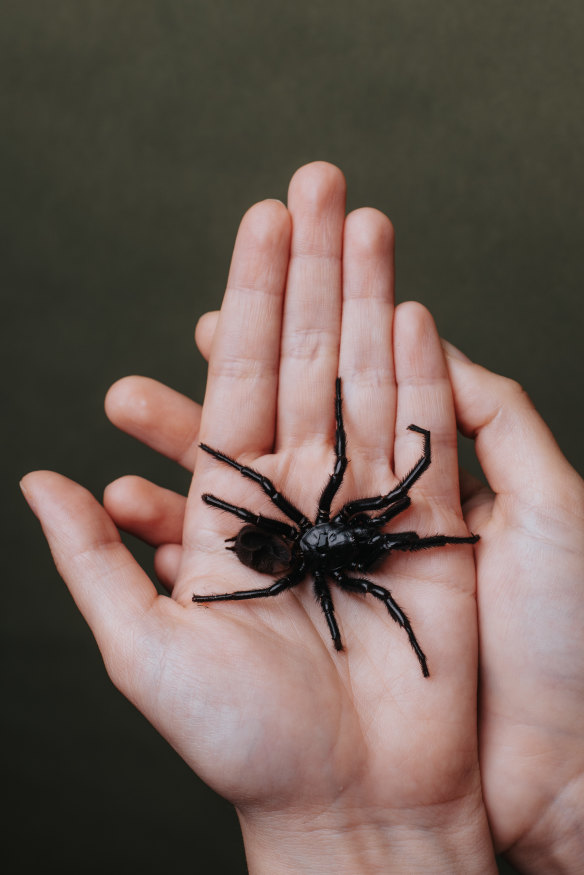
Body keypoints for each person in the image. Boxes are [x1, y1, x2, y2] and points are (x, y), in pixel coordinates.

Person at [21, 162, 583, 873]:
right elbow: (353, 544)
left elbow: (384, 504)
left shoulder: (332, 538)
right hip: (292, 545)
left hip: (296, 542)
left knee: (377, 528)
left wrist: (568, 789)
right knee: (371, 550)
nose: (375, 532)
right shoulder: (330, 561)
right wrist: (234, 555)